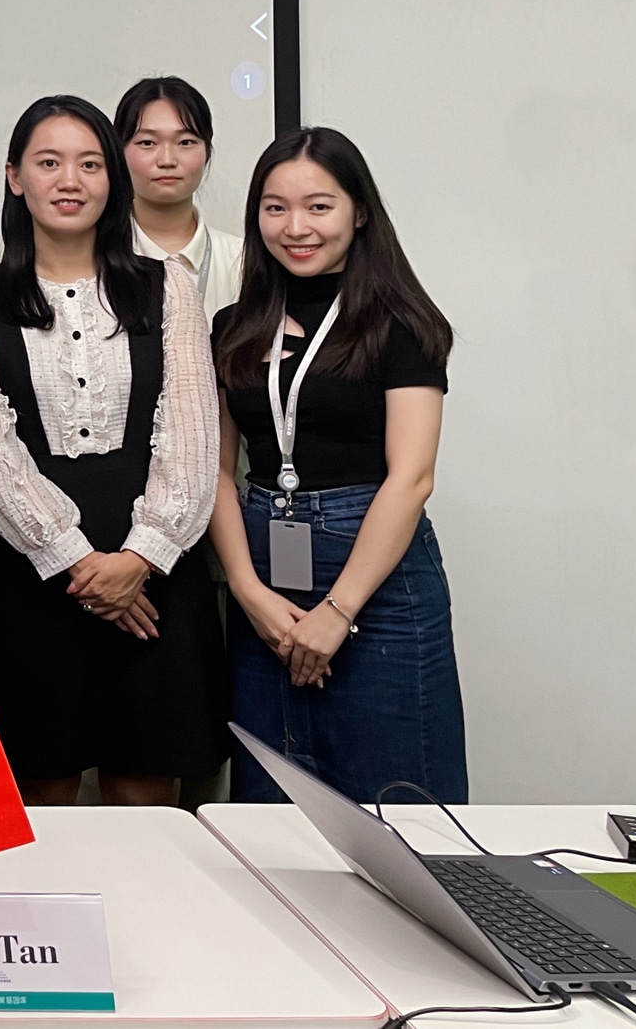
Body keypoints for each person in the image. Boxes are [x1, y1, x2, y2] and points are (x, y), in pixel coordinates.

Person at [0, 95, 227, 807]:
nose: (69, 180)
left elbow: (193, 434)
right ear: (15, 176)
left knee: (146, 785)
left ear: (112, 179)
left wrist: (140, 559)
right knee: (41, 788)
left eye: (90, 164)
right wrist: (78, 564)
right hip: (31, 571)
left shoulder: (168, 286)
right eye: (49, 162)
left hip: (157, 568)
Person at [206, 128, 465, 804]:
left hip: (375, 579)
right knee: (273, 808)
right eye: (275, 208)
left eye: (319, 206)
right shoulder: (233, 326)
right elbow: (216, 471)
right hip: (264, 573)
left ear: (360, 213)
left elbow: (412, 477)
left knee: (401, 810)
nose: (296, 227)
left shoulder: (400, 323)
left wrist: (338, 610)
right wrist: (247, 591)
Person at [114, 75, 245, 320]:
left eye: (185, 142)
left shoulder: (242, 262)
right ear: (119, 153)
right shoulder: (97, 257)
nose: (167, 160)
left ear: (207, 153)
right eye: (147, 142)